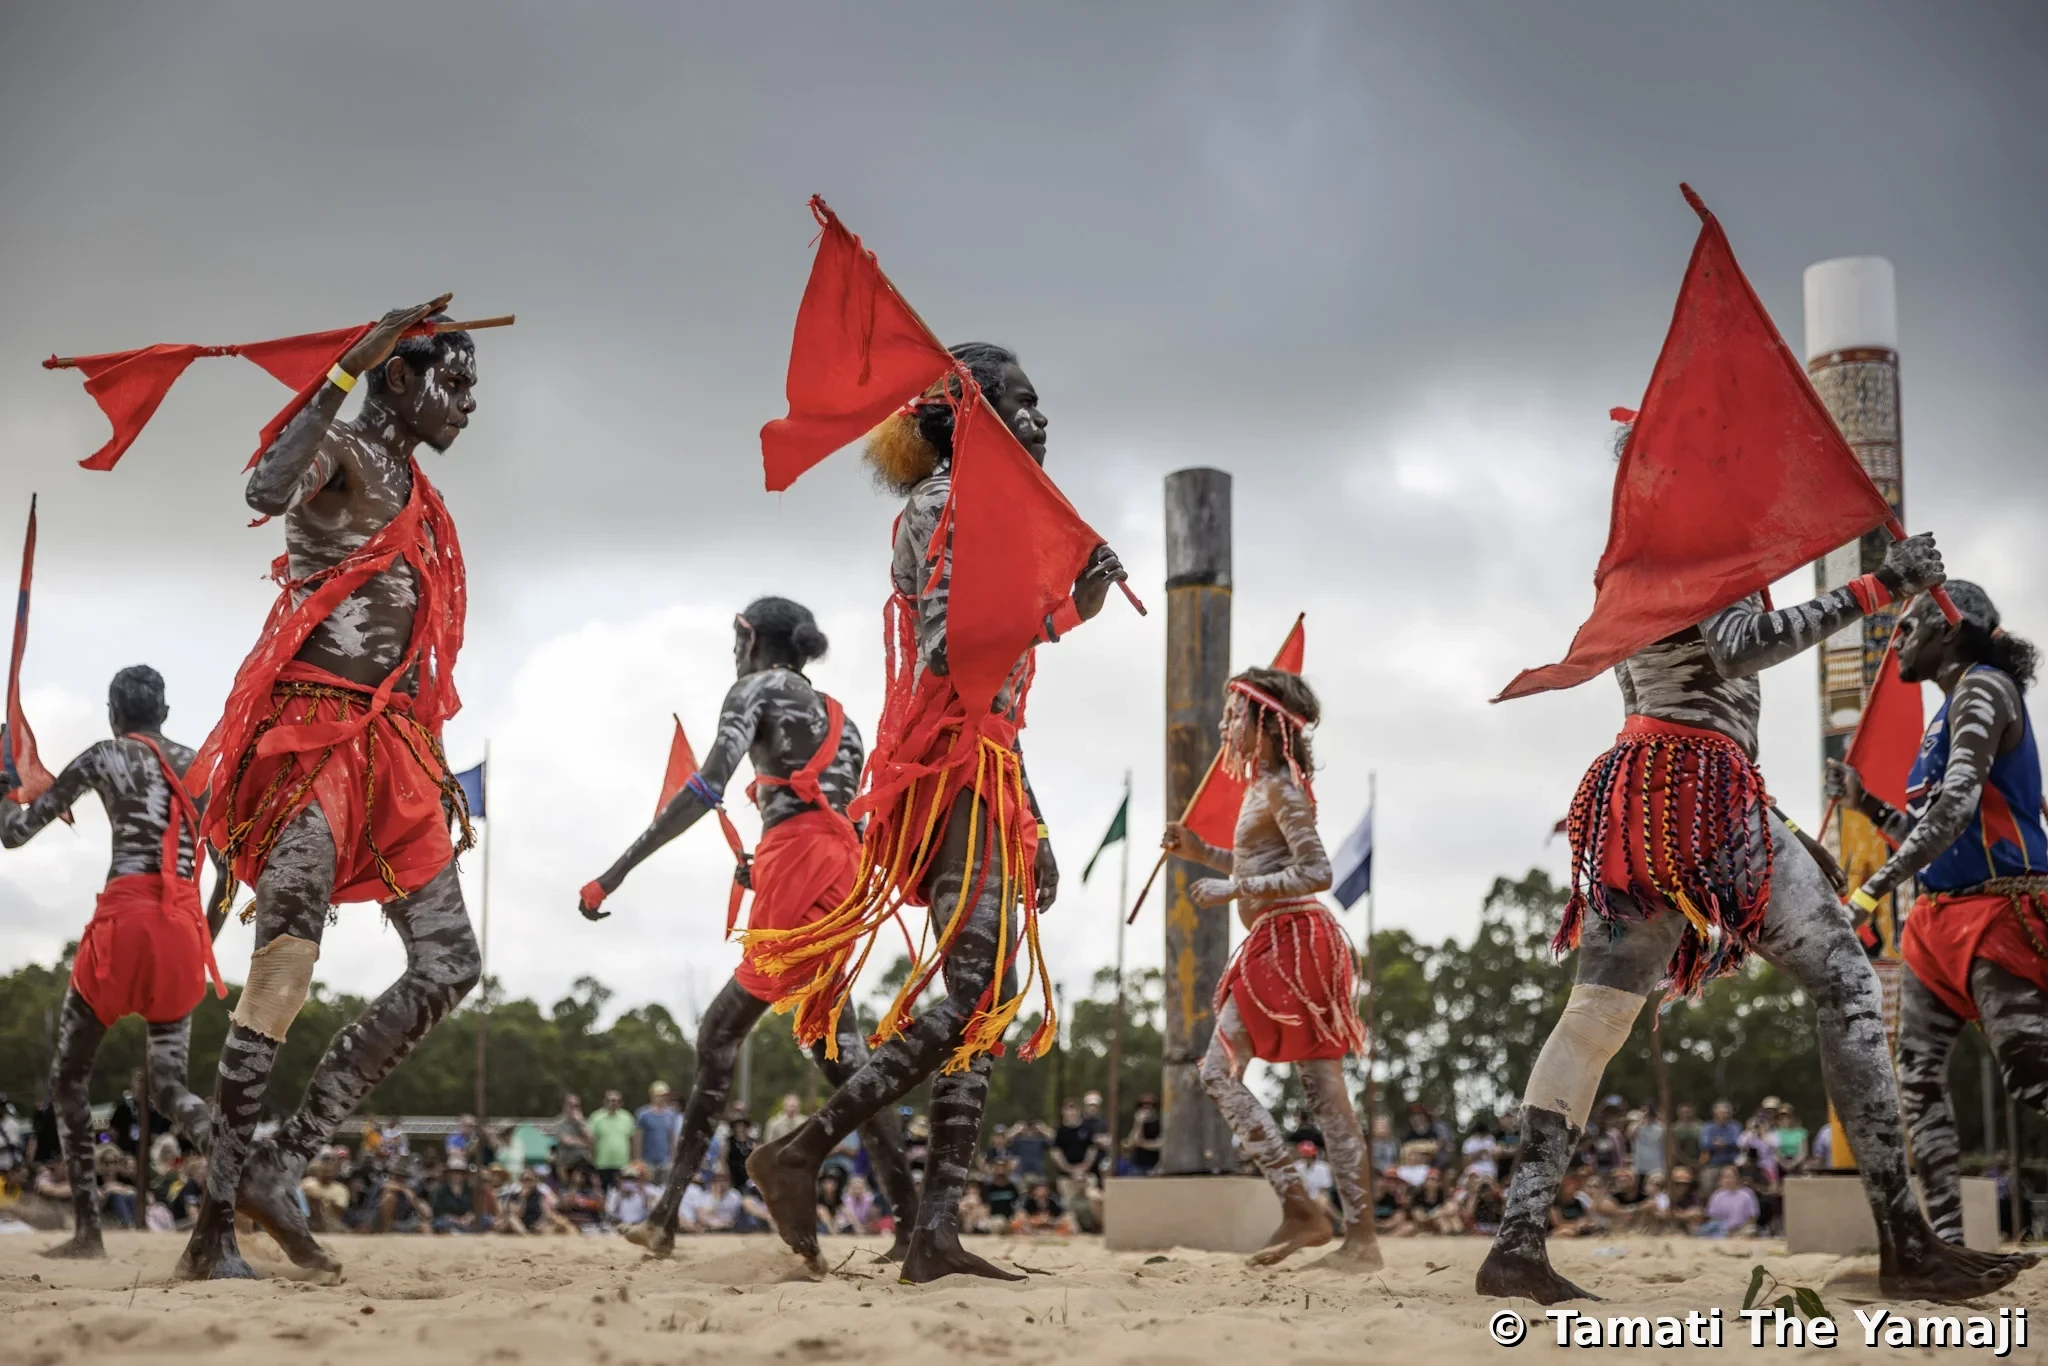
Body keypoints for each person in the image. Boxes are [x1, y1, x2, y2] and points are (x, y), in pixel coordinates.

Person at [1477, 528, 2025, 1304]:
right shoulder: (1703, 541)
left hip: (1637, 786)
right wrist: (1881, 585)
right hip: (1703, 788)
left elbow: (1690, 689)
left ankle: (1517, 1242)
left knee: (1595, 1016)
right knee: (1846, 983)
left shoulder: (1640, 555)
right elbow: (1737, 648)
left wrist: (1787, 829)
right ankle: (1906, 1240)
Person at [744, 344, 1125, 1283]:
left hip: (983, 765)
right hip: (948, 765)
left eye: (1042, 406)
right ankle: (799, 1152)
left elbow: (1001, 702)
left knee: (986, 1001)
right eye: (1019, 406)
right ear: (966, 415)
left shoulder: (984, 511)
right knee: (977, 993)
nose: (1039, 422)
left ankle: (934, 1235)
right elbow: (957, 650)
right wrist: (1066, 610)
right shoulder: (942, 504)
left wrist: (1029, 819)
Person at [176, 299, 485, 1282]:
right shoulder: (344, 448)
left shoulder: (418, 488)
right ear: (401, 375)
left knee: (448, 964)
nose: (470, 403)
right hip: (311, 734)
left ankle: (284, 1158)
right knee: (284, 964)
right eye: (456, 380)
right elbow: (264, 487)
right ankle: (211, 1228)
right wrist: (346, 364)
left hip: (393, 747)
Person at [583, 599, 921, 1260]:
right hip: (841, 878)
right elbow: (835, 815)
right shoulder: (841, 718)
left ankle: (666, 1217)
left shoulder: (754, 688)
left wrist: (617, 870)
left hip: (798, 867)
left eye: (733, 641)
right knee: (841, 1056)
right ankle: (910, 1223)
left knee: (719, 1033)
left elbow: (710, 786)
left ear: (748, 639)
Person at [1835, 584, 2048, 1246]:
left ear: (1951, 631)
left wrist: (1871, 889)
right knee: (1917, 1080)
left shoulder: (1985, 689)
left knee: (2028, 1066)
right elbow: (1933, 827)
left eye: (1910, 624)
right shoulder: (1949, 709)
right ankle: (1948, 1246)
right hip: (1935, 922)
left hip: (2000, 907)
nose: (1898, 638)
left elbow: (1957, 807)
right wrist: (1868, 807)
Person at [2, 666, 228, 1259]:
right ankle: (234, 1182)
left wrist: (3, 782)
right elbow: (229, 872)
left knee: (69, 1079)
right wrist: (202, 941)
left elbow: (15, 832)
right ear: (166, 713)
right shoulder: (204, 767)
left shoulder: (106, 754)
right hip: (183, 935)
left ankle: (89, 1234)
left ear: (112, 713)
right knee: (173, 1088)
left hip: (122, 926)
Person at [1163, 667, 1379, 1272]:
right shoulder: (1264, 788)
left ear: (1266, 726)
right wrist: (1198, 852)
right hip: (1278, 943)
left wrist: (1235, 887)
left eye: (1235, 715)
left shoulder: (1282, 787)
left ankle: (1331, 1224)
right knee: (1314, 1093)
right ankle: (1321, 1218)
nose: (1225, 725)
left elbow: (1318, 873)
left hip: (1294, 942)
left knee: (1234, 1075)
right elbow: (1259, 855)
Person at [633, 1083, 680, 1184]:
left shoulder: (670, 1115)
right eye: (659, 1095)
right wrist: (638, 1159)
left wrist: (673, 1158)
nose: (661, 1098)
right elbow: (638, 1138)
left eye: (664, 1096)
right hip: (647, 1161)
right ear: (652, 1096)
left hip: (665, 1160)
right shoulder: (643, 1114)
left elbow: (671, 1138)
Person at [588, 1091, 634, 1194]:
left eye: (616, 1101)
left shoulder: (627, 1118)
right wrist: (592, 1159)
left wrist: (633, 1159)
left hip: (622, 1164)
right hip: (602, 1163)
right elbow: (591, 1140)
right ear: (605, 1102)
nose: (613, 1103)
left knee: (621, 1194)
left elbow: (632, 1139)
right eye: (610, 1101)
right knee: (602, 1193)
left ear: (621, 1103)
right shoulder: (596, 1117)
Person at [1696, 1166, 1760, 1238]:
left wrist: (1738, 1228)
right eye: (1724, 1177)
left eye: (1729, 1177)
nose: (1727, 1180)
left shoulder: (1747, 1194)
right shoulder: (1717, 1195)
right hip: (1721, 1229)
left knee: (1751, 1230)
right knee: (1709, 1227)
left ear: (1737, 1178)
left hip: (1740, 1229)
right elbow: (1712, 1217)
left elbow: (1753, 1217)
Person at [1124, 1096, 1163, 1175]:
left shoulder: (1160, 1124)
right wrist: (1139, 1123)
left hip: (1155, 1166)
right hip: (1138, 1165)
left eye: (1150, 1105)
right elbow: (1131, 1144)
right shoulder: (1137, 1124)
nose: (1147, 1108)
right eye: (1143, 1106)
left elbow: (1160, 1144)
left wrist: (1142, 1143)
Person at [980, 1160, 1022, 1229]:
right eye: (998, 1169)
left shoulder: (1012, 1187)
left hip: (1010, 1219)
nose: (1000, 1172)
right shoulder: (987, 1188)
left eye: (1003, 1169)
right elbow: (984, 1206)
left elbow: (1017, 1205)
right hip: (993, 1219)